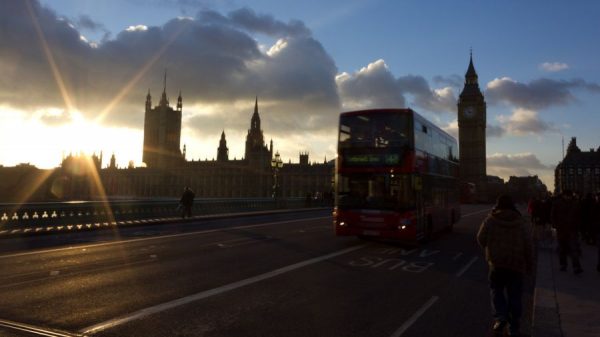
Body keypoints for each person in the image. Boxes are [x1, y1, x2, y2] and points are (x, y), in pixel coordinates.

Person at [477, 194, 533, 337]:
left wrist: (489, 248)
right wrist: (530, 265)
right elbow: (528, 245)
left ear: (498, 205)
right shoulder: (520, 222)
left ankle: (500, 317)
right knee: (515, 295)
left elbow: (480, 238)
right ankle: (514, 328)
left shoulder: (491, 219)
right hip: (516, 264)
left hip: (497, 263)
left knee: (496, 291)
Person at [551, 189, 583, 274]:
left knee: (571, 248)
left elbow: (580, 216)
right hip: (563, 229)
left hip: (570, 229)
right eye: (567, 196)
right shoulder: (573, 203)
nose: (568, 197)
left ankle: (573, 266)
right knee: (564, 248)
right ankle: (566, 265)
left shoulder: (574, 203)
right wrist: (555, 225)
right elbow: (553, 215)